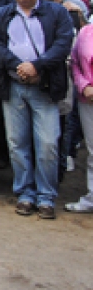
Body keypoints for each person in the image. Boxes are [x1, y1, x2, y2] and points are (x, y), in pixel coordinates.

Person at [0, 0, 74, 219]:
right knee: (17, 143)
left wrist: (37, 66)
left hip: (44, 87)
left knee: (47, 144)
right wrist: (19, 66)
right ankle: (25, 194)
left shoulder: (57, 13)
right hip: (14, 86)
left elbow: (63, 44)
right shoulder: (3, 14)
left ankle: (46, 196)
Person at [67, 22, 93, 212]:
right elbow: (74, 63)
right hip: (88, 99)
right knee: (92, 150)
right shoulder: (86, 31)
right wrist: (84, 86)